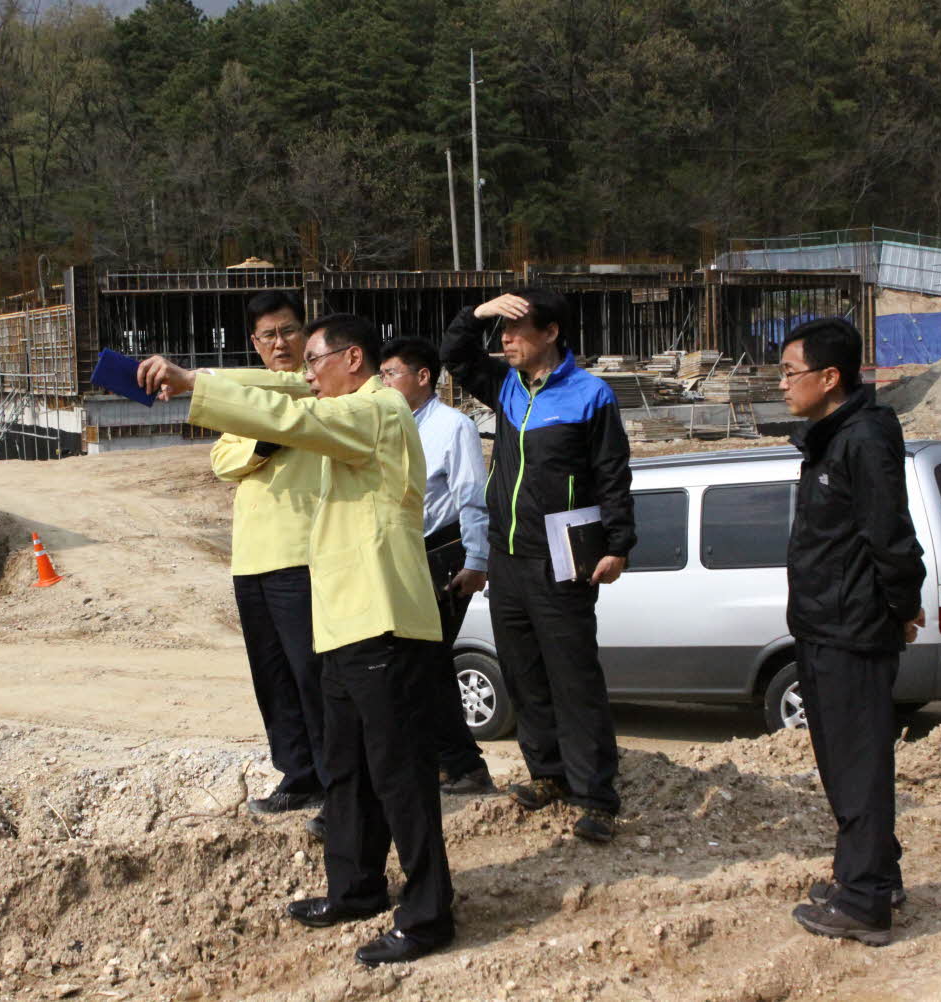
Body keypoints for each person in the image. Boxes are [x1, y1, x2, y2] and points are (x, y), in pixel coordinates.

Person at [139, 314, 454, 967]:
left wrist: (194, 382)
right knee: (345, 768)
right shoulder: (343, 403)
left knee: (400, 776)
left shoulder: (379, 412)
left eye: (315, 361)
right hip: (343, 618)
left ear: (354, 359)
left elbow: (291, 417)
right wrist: (213, 381)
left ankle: (428, 915)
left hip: (385, 619)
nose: (306, 375)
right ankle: (357, 887)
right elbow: (280, 390)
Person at [441, 288, 634, 844]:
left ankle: (597, 794)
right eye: (503, 331)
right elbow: (455, 355)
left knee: (573, 676)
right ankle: (547, 773)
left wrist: (618, 545)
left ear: (550, 333)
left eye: (518, 330)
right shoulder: (506, 387)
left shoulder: (591, 395)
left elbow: (612, 475)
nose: (507, 340)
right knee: (523, 671)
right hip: (509, 555)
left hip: (564, 554)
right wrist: (478, 312)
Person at [780, 317, 926, 947]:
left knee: (859, 762)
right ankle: (870, 874)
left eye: (790, 373)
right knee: (842, 762)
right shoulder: (829, 436)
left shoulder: (864, 438)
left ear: (830, 377)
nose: (781, 383)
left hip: (852, 629)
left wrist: (903, 606)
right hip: (820, 624)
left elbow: (887, 534)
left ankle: (865, 902)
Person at [209, 291, 327, 817]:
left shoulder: (321, 391)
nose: (280, 343)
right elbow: (222, 459)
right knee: (273, 674)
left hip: (302, 554)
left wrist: (261, 441)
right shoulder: (247, 400)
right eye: (268, 335)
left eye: (288, 331)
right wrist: (261, 445)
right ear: (254, 345)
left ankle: (336, 780)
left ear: (306, 334)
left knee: (314, 674)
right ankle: (298, 773)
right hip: (251, 558)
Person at [378, 337, 494, 795]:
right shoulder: (387, 423)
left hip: (444, 553)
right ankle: (448, 761)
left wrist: (477, 558)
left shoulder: (453, 426)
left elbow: (471, 495)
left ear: (423, 376)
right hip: (403, 555)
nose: (383, 382)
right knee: (421, 663)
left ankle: (462, 765)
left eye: (392, 374)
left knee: (423, 663)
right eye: (381, 374)